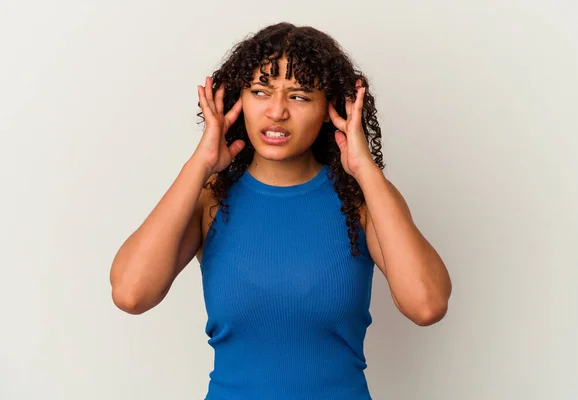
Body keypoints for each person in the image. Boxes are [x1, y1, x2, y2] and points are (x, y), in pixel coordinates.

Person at [110, 22, 452, 400]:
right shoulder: (210, 198)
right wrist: (201, 163)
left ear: (328, 110)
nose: (276, 112)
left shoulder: (363, 200)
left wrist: (364, 169)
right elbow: (130, 294)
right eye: (260, 92)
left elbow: (427, 305)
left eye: (300, 96)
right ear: (239, 99)